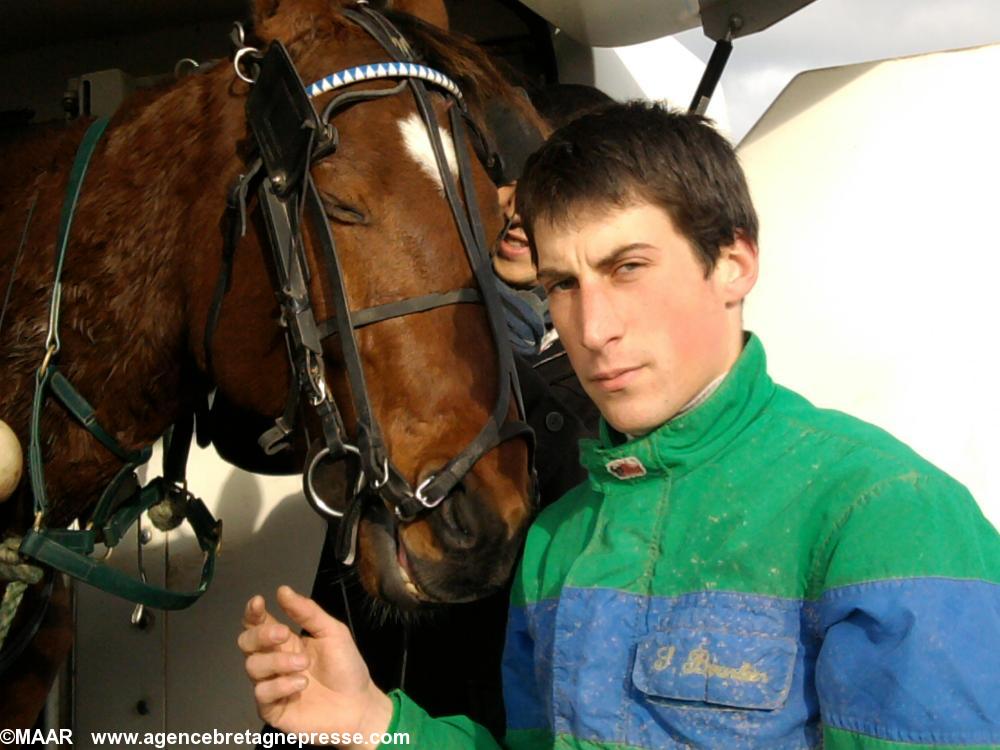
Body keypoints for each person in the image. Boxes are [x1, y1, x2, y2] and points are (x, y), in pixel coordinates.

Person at [239, 102, 1000, 748]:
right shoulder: (560, 538)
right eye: (563, 284)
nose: (593, 327)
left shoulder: (886, 516)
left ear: (733, 264)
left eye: (627, 266)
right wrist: (376, 722)